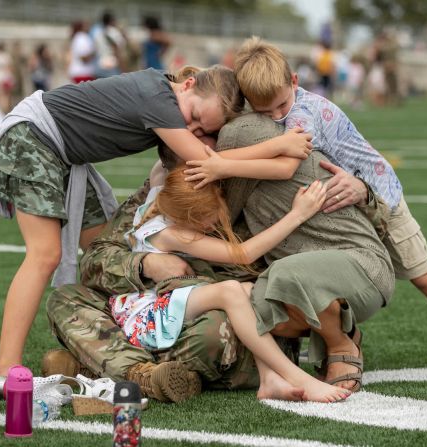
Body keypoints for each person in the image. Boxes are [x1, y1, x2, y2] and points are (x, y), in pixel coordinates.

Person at [0, 65, 312, 377]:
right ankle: (4, 366)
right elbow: (206, 159)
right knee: (45, 255)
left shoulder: (168, 106)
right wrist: (280, 145)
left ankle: (107, 350)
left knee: (100, 253)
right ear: (188, 84)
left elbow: (107, 253)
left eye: (201, 129)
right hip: (35, 137)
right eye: (192, 116)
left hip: (64, 155)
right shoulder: (159, 97)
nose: (188, 129)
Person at [195, 36, 427, 379]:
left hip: (381, 194)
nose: (276, 116)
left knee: (423, 274)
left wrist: (222, 165)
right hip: (345, 200)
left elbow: (287, 166)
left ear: (295, 82)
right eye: (266, 112)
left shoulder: (302, 113)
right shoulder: (275, 106)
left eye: (281, 105)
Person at [45, 112, 393, 400]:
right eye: (188, 136)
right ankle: (141, 373)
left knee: (215, 331)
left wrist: (363, 192)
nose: (199, 149)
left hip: (238, 314)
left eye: (206, 137)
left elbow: (350, 234)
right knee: (65, 298)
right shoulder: (167, 194)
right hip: (159, 306)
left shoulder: (260, 177)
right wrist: (143, 264)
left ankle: (98, 364)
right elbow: (96, 258)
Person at [110, 166, 350, 403]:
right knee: (231, 290)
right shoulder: (170, 234)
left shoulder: (162, 196)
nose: (211, 227)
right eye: (207, 223)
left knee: (248, 292)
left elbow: (159, 168)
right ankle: (296, 376)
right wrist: (298, 214)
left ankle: (269, 379)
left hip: (164, 302)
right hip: (146, 318)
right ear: (188, 217)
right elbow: (243, 254)